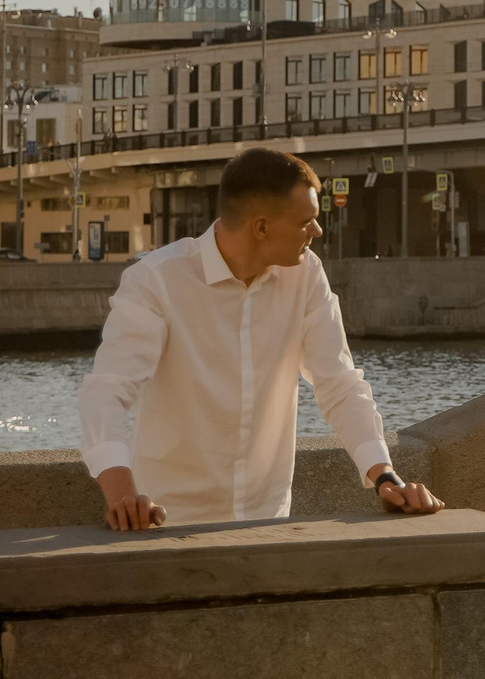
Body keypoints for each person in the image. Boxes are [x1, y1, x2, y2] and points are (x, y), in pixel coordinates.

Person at [77, 146, 444, 529]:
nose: (317, 231)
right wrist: (122, 496)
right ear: (262, 227)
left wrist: (383, 475)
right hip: (166, 523)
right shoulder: (155, 280)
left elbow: (339, 381)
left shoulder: (306, 275)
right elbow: (106, 391)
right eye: (307, 221)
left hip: (266, 523)